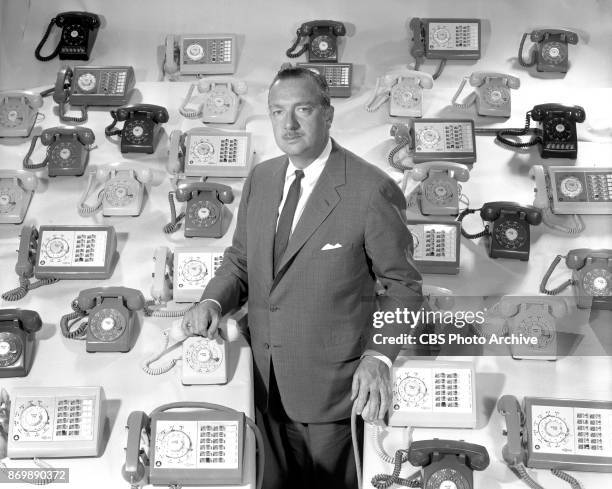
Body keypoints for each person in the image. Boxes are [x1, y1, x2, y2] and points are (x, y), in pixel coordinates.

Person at [182, 65, 423, 489]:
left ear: (328, 115)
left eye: (303, 110)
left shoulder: (371, 190)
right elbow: (240, 259)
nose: (289, 124)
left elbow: (404, 287)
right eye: (278, 112)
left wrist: (378, 357)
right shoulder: (260, 177)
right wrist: (212, 301)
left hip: (330, 394)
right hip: (262, 383)